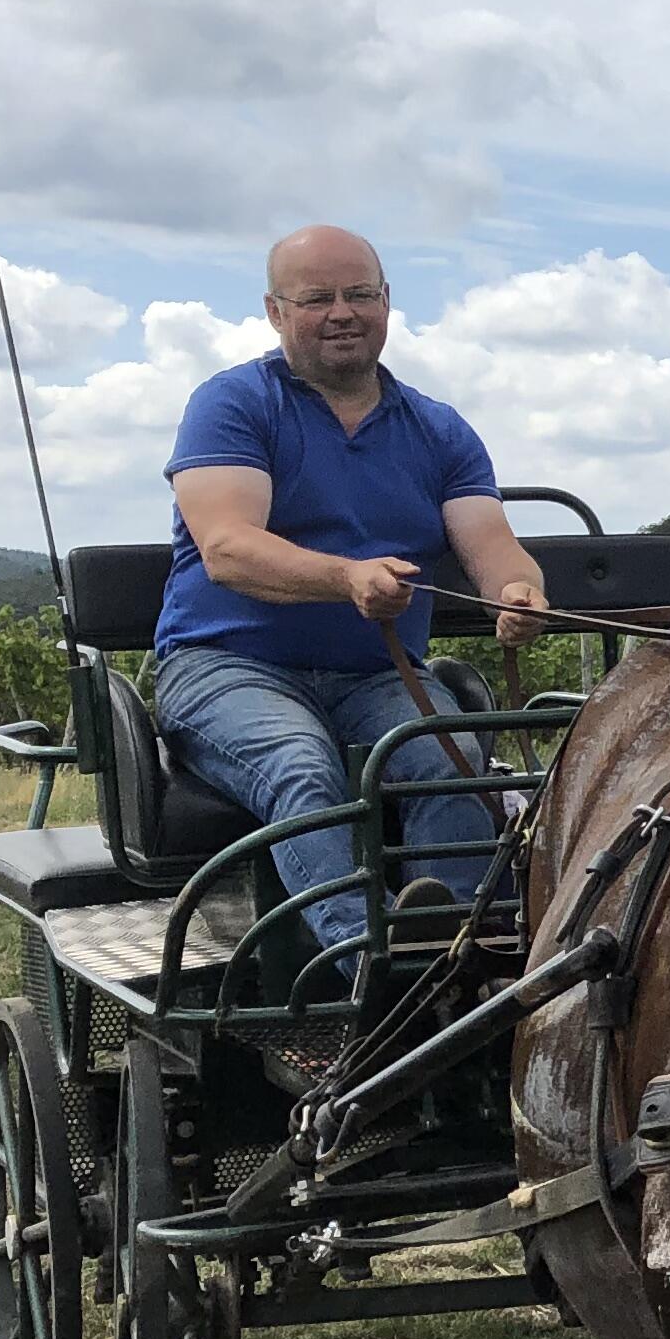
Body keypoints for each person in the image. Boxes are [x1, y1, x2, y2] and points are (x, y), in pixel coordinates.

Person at [153, 225, 549, 972]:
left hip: (375, 673)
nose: (343, 312)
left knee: (452, 758)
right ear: (276, 312)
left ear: (387, 302)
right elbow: (228, 548)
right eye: (318, 298)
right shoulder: (234, 403)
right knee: (301, 766)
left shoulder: (438, 429)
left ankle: (461, 952)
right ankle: (362, 964)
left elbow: (489, 541)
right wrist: (345, 576)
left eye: (360, 294)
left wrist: (518, 592)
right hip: (227, 666)